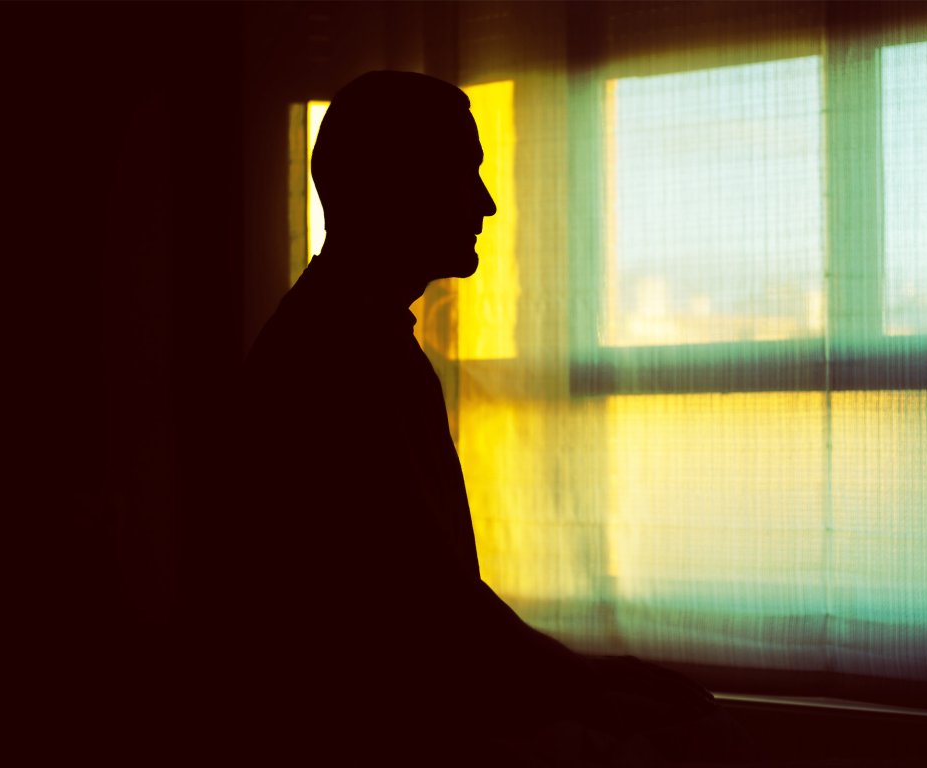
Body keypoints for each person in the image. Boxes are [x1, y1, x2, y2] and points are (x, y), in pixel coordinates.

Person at [202, 70, 742, 766]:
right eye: (465, 173)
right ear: (396, 186)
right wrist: (587, 683)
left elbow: (429, 598)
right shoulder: (339, 357)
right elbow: (422, 609)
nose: (486, 203)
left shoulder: (353, 338)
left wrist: (588, 677)